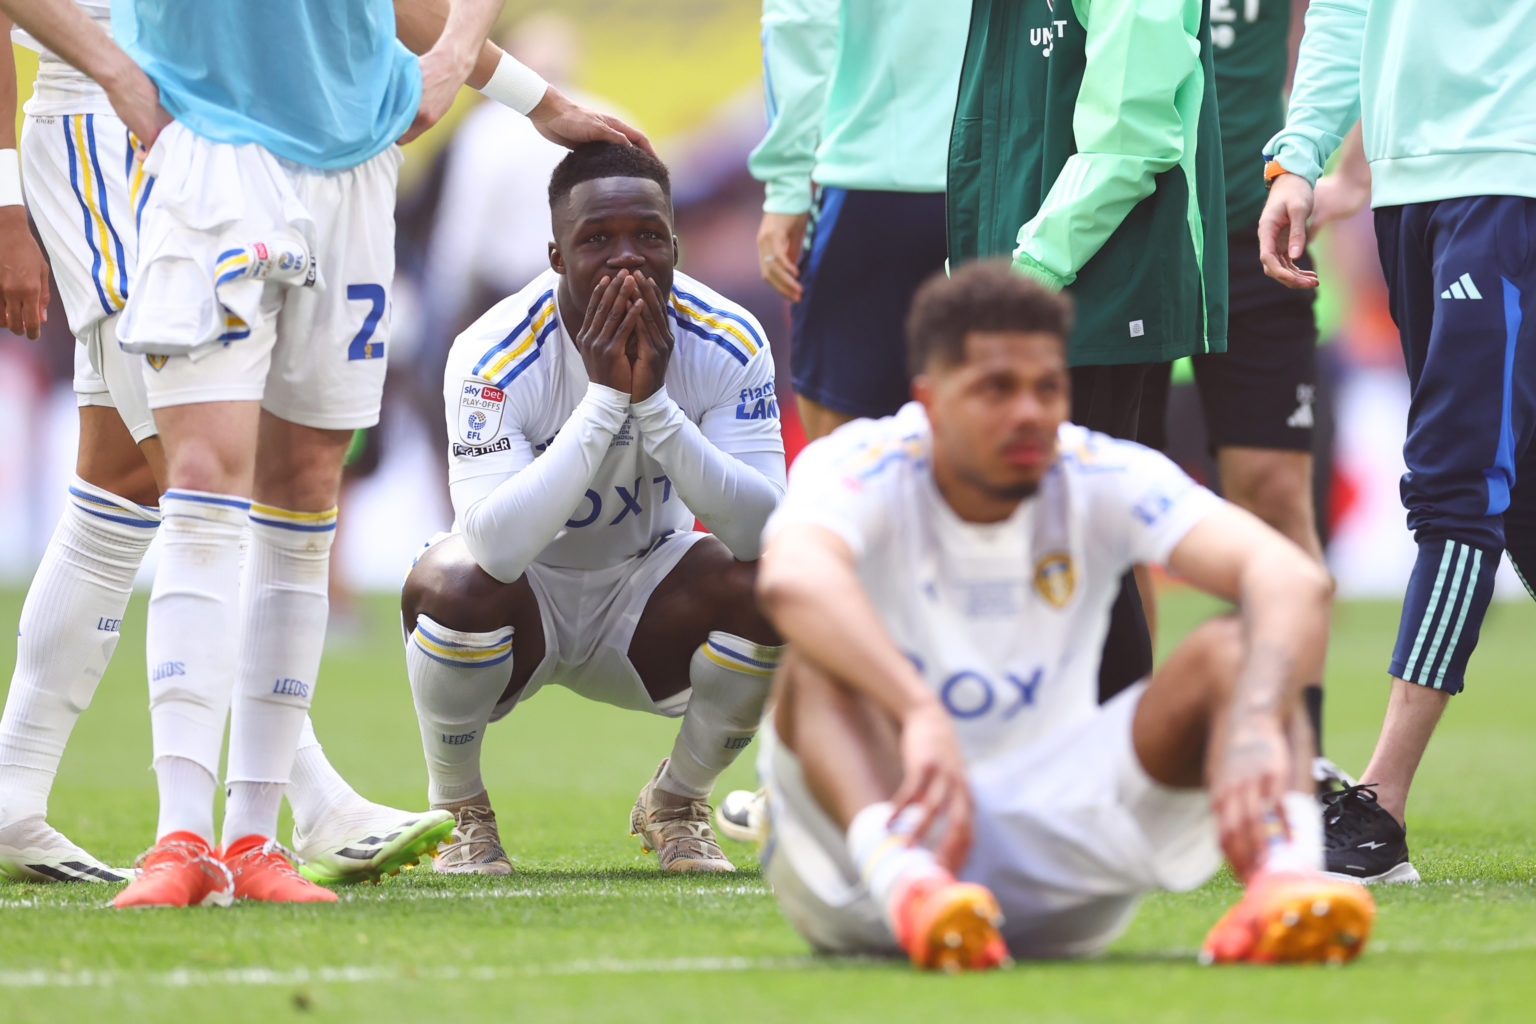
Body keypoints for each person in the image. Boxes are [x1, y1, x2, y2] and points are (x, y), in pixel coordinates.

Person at [0, 0, 650, 908]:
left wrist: (491, 73)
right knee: (189, 473)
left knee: (275, 488)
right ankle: (198, 831)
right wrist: (103, 84)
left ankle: (239, 831)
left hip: (350, 159)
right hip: (185, 140)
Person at [754, 262, 1374, 970]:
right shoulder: (859, 464)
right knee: (813, 667)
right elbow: (793, 580)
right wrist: (918, 707)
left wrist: (1260, 720)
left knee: (1236, 652)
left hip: (1063, 855)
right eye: (995, 388)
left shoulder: (1096, 468)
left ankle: (1288, 881)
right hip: (869, 869)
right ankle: (915, 887)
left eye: (1047, 387)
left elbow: (1291, 577)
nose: (1028, 412)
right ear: (929, 401)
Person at [0, 3, 454, 887]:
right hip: (104, 121)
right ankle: (304, 798)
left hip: (206, 124)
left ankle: (13, 791)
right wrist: (3, 195)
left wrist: (519, 88)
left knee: (122, 480)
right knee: (200, 478)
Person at [403, 143, 786, 875]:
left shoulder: (729, 338)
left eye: (648, 236)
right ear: (555, 255)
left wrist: (657, 412)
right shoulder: (491, 350)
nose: (626, 261)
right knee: (451, 583)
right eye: (596, 240)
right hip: (524, 603)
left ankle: (677, 801)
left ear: (676, 243)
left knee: (774, 585)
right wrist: (608, 402)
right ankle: (458, 808)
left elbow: (762, 529)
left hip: (646, 600)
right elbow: (495, 549)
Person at [1259, 0, 1536, 884]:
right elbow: (1344, 11)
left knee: (1458, 489)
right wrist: (1298, 160)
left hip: (1510, 177)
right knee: (1519, 488)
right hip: (1410, 189)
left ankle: (1377, 811)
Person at [946, 0, 1228, 707]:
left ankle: (1123, 785)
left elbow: (1131, 138)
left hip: (1093, 282)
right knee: (1045, 546)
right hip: (1030, 276)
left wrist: (1024, 273)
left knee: (1078, 548)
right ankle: (1088, 781)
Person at [747, 0, 970, 441]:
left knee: (846, 464)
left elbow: (799, 20)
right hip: (1005, 189)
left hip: (877, 186)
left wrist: (787, 187)